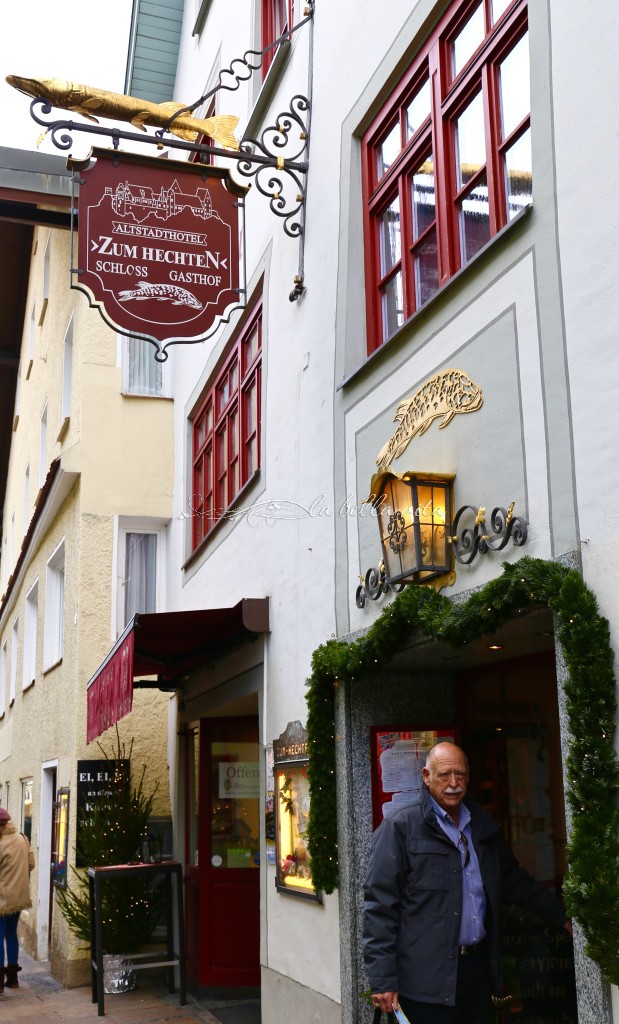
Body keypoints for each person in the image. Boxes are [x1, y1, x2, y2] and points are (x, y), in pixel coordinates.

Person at [363, 743, 572, 1023]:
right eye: (444, 775)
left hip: (476, 973)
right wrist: (383, 979)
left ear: (469, 775)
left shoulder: (481, 826)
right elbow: (379, 907)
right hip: (424, 983)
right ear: (426, 776)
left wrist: (562, 916)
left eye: (460, 775)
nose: (453, 783)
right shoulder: (400, 828)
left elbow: (515, 882)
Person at [0, 806, 35, 993]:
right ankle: (13, 978)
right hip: (19, 897)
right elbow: (31, 864)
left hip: (2, 898)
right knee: (11, 933)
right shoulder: (22, 838)